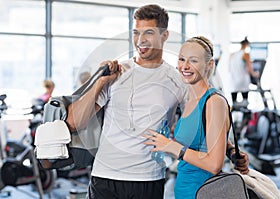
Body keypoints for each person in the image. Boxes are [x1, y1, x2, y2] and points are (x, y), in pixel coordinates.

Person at [65, 4, 249, 199]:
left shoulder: (178, 80)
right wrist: (99, 83)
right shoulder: (116, 72)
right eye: (136, 32)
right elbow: (74, 122)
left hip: (148, 178)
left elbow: (200, 120)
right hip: (104, 175)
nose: (140, 40)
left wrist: (229, 150)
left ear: (164, 36)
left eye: (149, 33)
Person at [143, 36, 232, 199]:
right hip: (184, 191)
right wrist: (232, 151)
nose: (185, 66)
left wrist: (171, 146)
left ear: (209, 65)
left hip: (203, 192)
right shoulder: (190, 100)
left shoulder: (214, 102)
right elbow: (209, 139)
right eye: (182, 59)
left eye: (193, 61)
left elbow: (214, 164)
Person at [229, 37, 259, 107]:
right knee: (245, 103)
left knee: (234, 104)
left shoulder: (233, 54)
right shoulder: (246, 54)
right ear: (246, 45)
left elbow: (229, 69)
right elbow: (250, 68)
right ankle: (246, 117)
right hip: (243, 81)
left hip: (233, 82)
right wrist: (255, 74)